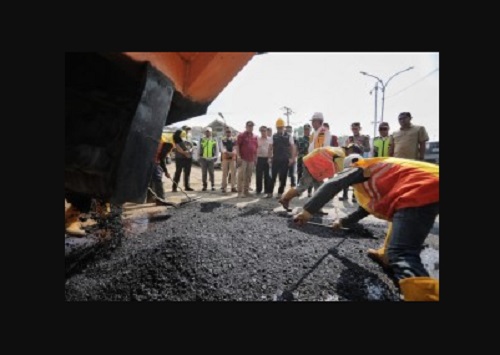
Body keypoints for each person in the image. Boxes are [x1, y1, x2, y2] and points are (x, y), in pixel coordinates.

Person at [293, 154, 439, 301]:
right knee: (398, 220)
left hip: (420, 189)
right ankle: (385, 256)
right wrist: (342, 222)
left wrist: (307, 211)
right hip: (432, 181)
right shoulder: (379, 173)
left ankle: (426, 297)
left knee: (402, 252)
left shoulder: (359, 167)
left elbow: (332, 184)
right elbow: (365, 210)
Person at [278, 146, 344, 210]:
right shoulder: (340, 156)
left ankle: (316, 208)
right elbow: (332, 171)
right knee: (303, 186)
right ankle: (285, 199)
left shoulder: (337, 152)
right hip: (311, 165)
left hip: (316, 166)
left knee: (320, 189)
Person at [268, 118, 295, 199]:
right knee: (272, 177)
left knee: (283, 177)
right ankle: (269, 192)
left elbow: (292, 147)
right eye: (278, 127)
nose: (279, 129)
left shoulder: (289, 136)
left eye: (281, 127)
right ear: (276, 128)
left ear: (284, 127)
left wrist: (292, 158)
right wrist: (269, 158)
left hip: (285, 160)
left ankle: (280, 193)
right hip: (275, 159)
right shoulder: (274, 136)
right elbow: (270, 148)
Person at [147, 132, 174, 205]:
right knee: (158, 180)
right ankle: (161, 200)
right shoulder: (169, 145)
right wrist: (166, 171)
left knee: (150, 181)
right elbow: (162, 159)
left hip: (148, 162)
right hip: (153, 163)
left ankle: (150, 198)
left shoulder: (159, 141)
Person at [236, 120, 258, 197]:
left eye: (252, 126)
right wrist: (238, 156)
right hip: (243, 158)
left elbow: (255, 148)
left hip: (251, 159)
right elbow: (237, 146)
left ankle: (246, 191)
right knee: (241, 175)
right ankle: (240, 192)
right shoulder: (241, 135)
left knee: (249, 176)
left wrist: (255, 158)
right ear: (246, 127)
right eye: (249, 126)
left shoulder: (255, 136)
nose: (250, 127)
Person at [199, 127, 219, 191]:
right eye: (206, 132)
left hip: (211, 159)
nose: (207, 133)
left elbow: (217, 149)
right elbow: (199, 148)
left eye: (209, 132)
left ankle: (213, 185)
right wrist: (198, 157)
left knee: (211, 173)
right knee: (204, 173)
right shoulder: (202, 139)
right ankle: (204, 186)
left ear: (211, 133)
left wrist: (216, 157)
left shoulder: (214, 140)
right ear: (205, 133)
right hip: (203, 159)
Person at [255, 125, 272, 196]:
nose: (263, 132)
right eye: (261, 131)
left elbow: (271, 149)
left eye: (264, 131)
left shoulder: (270, 139)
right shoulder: (257, 139)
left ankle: (266, 190)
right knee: (259, 175)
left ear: (266, 131)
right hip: (259, 158)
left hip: (267, 159)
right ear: (260, 131)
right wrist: (255, 158)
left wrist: (270, 158)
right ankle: (258, 190)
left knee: (267, 175)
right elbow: (255, 149)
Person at [220, 127, 238, 193]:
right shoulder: (223, 140)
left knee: (233, 173)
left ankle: (233, 187)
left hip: (233, 158)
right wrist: (227, 152)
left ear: (231, 132)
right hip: (225, 158)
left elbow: (235, 148)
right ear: (225, 133)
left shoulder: (234, 140)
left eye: (229, 132)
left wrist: (232, 153)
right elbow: (222, 148)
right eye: (227, 132)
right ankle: (224, 187)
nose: (228, 133)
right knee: (225, 173)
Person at [297, 123, 312, 197]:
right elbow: (297, 149)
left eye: (308, 129)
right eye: (305, 129)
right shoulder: (300, 139)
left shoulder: (312, 139)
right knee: (300, 175)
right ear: (304, 130)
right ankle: (299, 191)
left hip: (310, 159)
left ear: (310, 130)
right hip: (301, 159)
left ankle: (309, 192)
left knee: (310, 175)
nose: (306, 131)